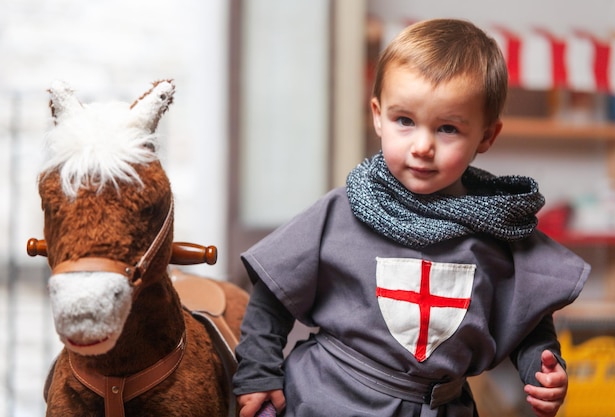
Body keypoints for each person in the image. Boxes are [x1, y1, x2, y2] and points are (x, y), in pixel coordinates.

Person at [232, 18, 589, 417]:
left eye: (448, 128)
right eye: (405, 121)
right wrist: (259, 373)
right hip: (327, 399)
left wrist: (542, 366)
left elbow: (528, 319)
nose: (422, 146)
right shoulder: (342, 210)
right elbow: (271, 297)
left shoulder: (497, 228)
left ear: (486, 136)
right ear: (378, 115)